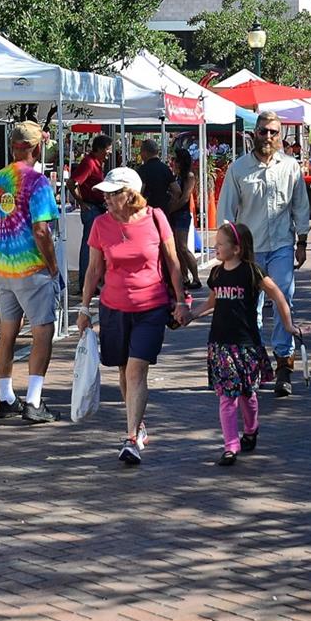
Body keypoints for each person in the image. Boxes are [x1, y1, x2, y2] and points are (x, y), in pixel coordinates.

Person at [76, 167, 189, 465]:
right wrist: (84, 308)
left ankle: (130, 438)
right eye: (106, 194)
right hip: (113, 308)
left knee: (136, 369)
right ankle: (137, 425)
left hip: (151, 306)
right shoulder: (101, 224)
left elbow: (173, 262)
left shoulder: (156, 218)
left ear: (131, 194)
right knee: (124, 370)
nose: (107, 199)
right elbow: (94, 270)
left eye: (113, 194)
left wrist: (181, 301)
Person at [217, 111, 310, 396]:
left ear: (279, 135)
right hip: (249, 250)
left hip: (282, 245)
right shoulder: (239, 169)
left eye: (273, 132)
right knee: (248, 309)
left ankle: (284, 364)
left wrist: (302, 241)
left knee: (284, 299)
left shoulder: (291, 167)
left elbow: (300, 205)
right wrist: (226, 252)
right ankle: (253, 363)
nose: (268, 137)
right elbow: (226, 213)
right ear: (253, 133)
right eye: (263, 131)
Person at [192, 221, 295, 465]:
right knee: (227, 397)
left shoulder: (252, 272)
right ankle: (231, 445)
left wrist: (289, 326)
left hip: (247, 344)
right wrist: (191, 315)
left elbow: (278, 295)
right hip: (220, 344)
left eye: (219, 244)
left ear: (236, 248)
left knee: (247, 394)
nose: (214, 247)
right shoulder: (216, 274)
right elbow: (212, 302)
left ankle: (251, 429)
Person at [0, 122, 62, 424]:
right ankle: (33, 400)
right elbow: (41, 229)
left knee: (7, 332)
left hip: (3, 265)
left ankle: (6, 397)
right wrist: (53, 265)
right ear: (37, 147)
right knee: (43, 331)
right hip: (31, 266)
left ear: (12, 146)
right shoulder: (37, 182)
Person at [71, 134, 113, 295]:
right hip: (92, 208)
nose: (109, 154)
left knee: (96, 247)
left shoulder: (96, 163)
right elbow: (72, 183)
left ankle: (93, 282)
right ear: (100, 149)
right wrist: (81, 203)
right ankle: (85, 283)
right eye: (107, 150)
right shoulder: (89, 163)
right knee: (89, 247)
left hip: (97, 208)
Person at [166, 148, 200, 289]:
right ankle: (184, 277)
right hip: (175, 213)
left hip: (182, 214)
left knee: (183, 246)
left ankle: (196, 278)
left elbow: (185, 197)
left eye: (176, 160)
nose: (174, 162)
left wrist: (171, 209)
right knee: (177, 248)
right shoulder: (177, 175)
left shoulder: (189, 176)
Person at [137, 138, 173, 211]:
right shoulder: (166, 168)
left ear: (145, 153)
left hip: (147, 211)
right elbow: (177, 190)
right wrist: (171, 208)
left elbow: (139, 191)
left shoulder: (143, 169)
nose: (140, 155)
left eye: (141, 152)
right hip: (163, 211)